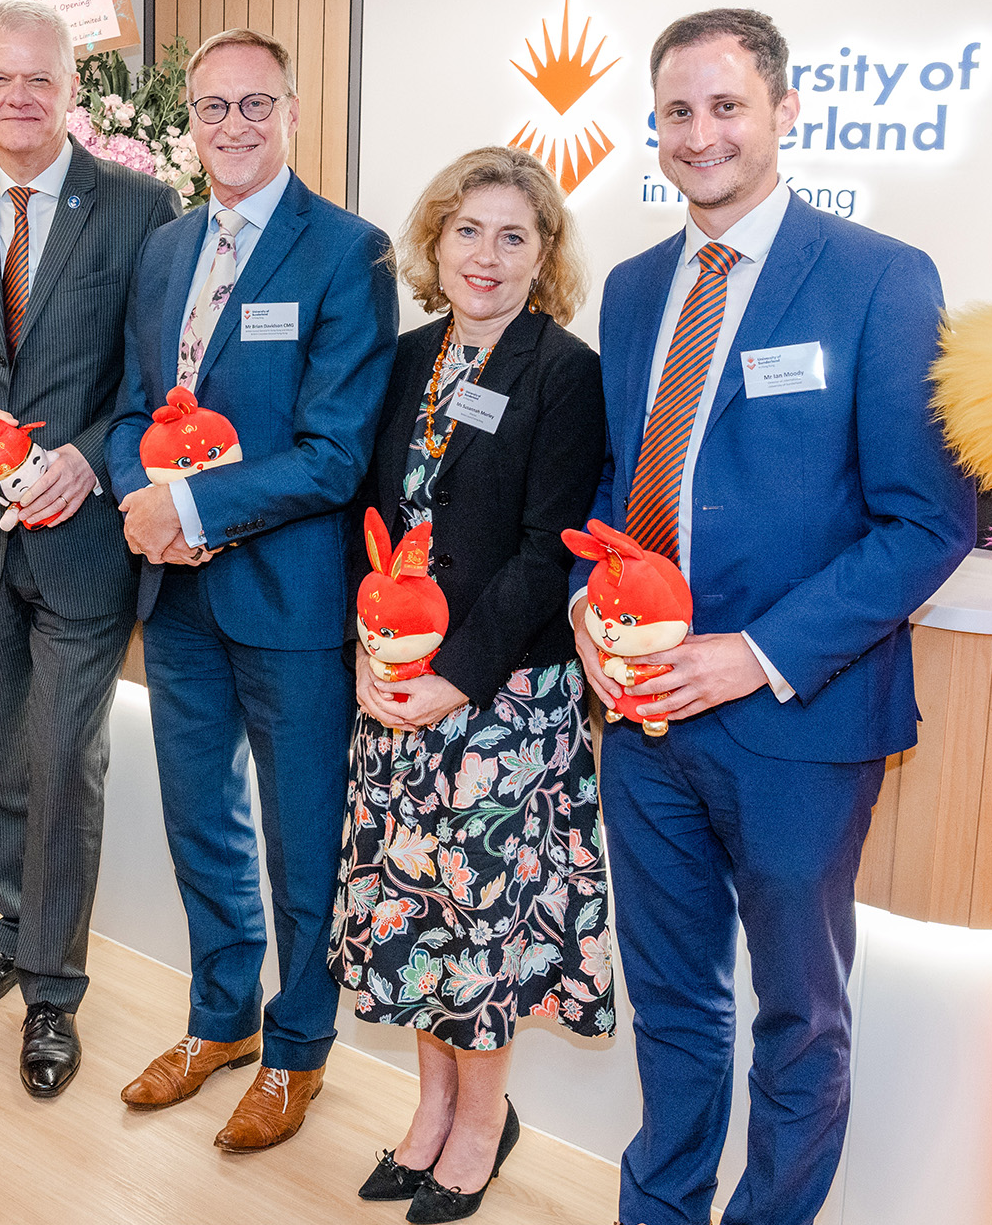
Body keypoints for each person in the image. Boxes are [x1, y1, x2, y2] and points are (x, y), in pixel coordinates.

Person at [579, 10, 972, 1225]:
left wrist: (749, 658)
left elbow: (926, 523)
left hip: (796, 724)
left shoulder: (879, 278)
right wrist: (590, 613)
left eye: (726, 106)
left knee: (800, 1016)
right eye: (679, 112)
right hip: (642, 719)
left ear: (786, 111)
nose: (701, 135)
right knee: (672, 1000)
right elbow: (615, 489)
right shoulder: (637, 288)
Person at [0, 0, 181, 1098]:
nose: (18, 98)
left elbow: (159, 382)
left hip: (85, 543)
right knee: (1, 756)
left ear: (70, 92)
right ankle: (13, 935)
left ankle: (53, 992)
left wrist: (93, 459)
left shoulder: (141, 209)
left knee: (64, 763)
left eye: (38, 80)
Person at [108, 27, 397, 1152]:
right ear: (190, 121)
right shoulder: (168, 249)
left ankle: (296, 1052)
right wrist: (146, 494)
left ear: (290, 111)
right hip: (179, 602)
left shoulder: (347, 253)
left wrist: (187, 512)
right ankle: (217, 1020)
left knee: (301, 842)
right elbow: (138, 403)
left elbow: (333, 451)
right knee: (201, 826)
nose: (232, 126)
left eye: (253, 106)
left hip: (287, 601)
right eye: (212, 108)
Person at [331, 145, 608, 1221]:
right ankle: (430, 1109)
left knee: (482, 925)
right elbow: (374, 526)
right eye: (467, 232)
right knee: (413, 914)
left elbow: (548, 554)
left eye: (513, 236)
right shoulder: (406, 360)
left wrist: (450, 676)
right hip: (401, 694)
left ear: (541, 257)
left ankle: (480, 1128)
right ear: (433, 242)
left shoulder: (560, 370)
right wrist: (372, 651)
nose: (486, 256)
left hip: (501, 702)